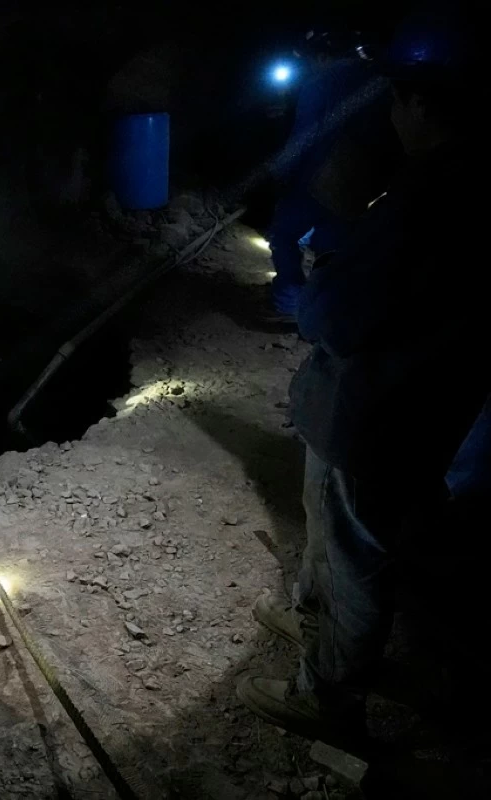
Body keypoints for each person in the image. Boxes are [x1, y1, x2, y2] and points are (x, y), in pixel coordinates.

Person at [237, 13, 488, 748]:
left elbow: (333, 319)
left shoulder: (425, 201)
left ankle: (330, 695)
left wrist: (335, 250)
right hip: (416, 411)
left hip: (373, 415)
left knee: (354, 555)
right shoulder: (465, 186)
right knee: (332, 530)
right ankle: (316, 623)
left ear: (422, 105)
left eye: (397, 100)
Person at [265, 27, 399, 322]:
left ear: (322, 56)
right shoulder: (379, 80)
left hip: (315, 178)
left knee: (283, 234)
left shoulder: (321, 82)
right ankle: (320, 312)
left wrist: (282, 172)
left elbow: (303, 136)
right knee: (330, 247)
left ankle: (290, 303)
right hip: (360, 184)